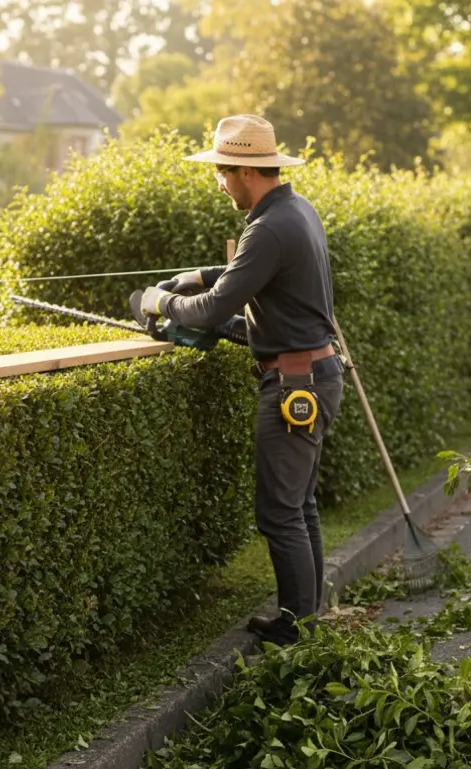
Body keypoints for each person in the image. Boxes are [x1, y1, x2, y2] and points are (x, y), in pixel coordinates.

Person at [133, 114, 345, 647]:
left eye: (222, 174)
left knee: (279, 513)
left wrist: (160, 300)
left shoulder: (269, 226)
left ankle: (294, 629)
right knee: (301, 506)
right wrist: (203, 273)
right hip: (317, 372)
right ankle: (307, 617)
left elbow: (208, 311)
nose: (219, 183)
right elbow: (252, 275)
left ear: (246, 171)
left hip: (295, 384)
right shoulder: (296, 210)